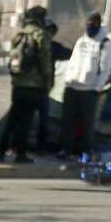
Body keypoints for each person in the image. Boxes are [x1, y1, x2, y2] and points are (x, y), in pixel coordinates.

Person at [0, 7, 52, 164]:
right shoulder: (41, 35)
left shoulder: (19, 34)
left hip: (18, 84)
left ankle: (0, 152)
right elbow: (45, 63)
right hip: (34, 86)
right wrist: (47, 81)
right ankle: (20, 155)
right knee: (25, 123)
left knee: (12, 119)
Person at [58, 12, 111, 159]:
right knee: (68, 122)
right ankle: (66, 149)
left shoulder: (105, 44)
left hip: (89, 90)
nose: (89, 27)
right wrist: (67, 80)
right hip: (71, 87)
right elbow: (73, 62)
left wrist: (96, 88)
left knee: (87, 123)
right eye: (88, 24)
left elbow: (105, 70)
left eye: (92, 24)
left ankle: (86, 151)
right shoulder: (81, 40)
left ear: (98, 24)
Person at [36, 19, 73, 154]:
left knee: (21, 118)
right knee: (42, 120)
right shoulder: (52, 46)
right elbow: (71, 54)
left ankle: (11, 147)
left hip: (24, 88)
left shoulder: (28, 42)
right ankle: (40, 148)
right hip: (42, 89)